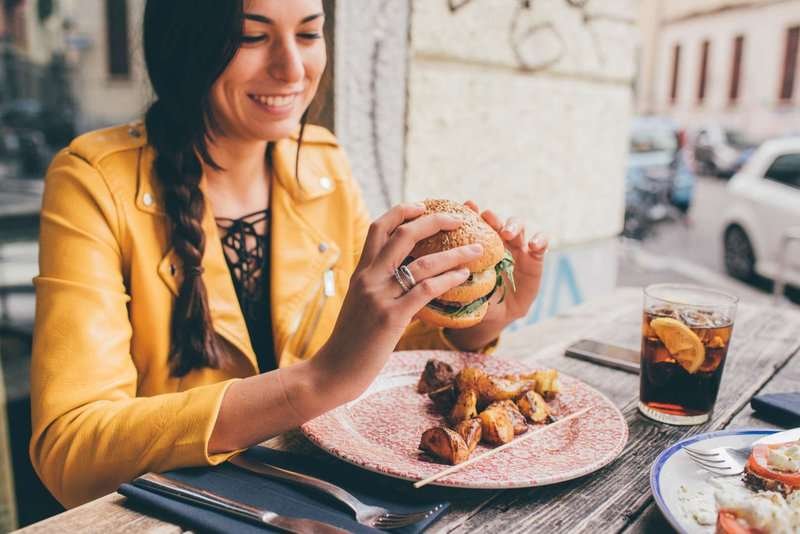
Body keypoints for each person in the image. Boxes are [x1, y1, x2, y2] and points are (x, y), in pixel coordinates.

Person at [29, 0, 548, 508]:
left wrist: (472, 320)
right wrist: (314, 383)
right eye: (253, 36)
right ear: (185, 43)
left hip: (320, 501)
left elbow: (365, 350)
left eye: (308, 33)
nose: (292, 69)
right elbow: (70, 448)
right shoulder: (93, 180)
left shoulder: (323, 165)